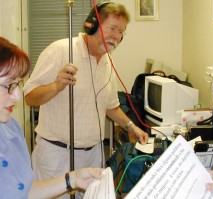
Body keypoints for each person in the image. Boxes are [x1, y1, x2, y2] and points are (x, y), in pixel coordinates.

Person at [0, 31, 103, 199]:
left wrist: (72, 179)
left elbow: (23, 190)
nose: (17, 95)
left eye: (17, 84)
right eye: (8, 85)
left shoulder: (9, 129)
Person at [24, 2, 149, 198]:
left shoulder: (107, 62)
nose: (116, 36)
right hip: (57, 156)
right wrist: (56, 85)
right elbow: (30, 97)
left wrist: (131, 126)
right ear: (92, 25)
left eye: (120, 32)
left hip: (93, 155)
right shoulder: (60, 51)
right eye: (112, 28)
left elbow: (110, 106)